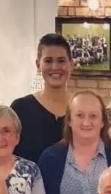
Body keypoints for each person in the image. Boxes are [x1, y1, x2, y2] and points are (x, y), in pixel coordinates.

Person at [10, 33, 72, 163]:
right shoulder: (20, 108)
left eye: (61, 61)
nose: (55, 67)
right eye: (48, 61)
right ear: (38, 65)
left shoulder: (82, 110)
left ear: (71, 64)